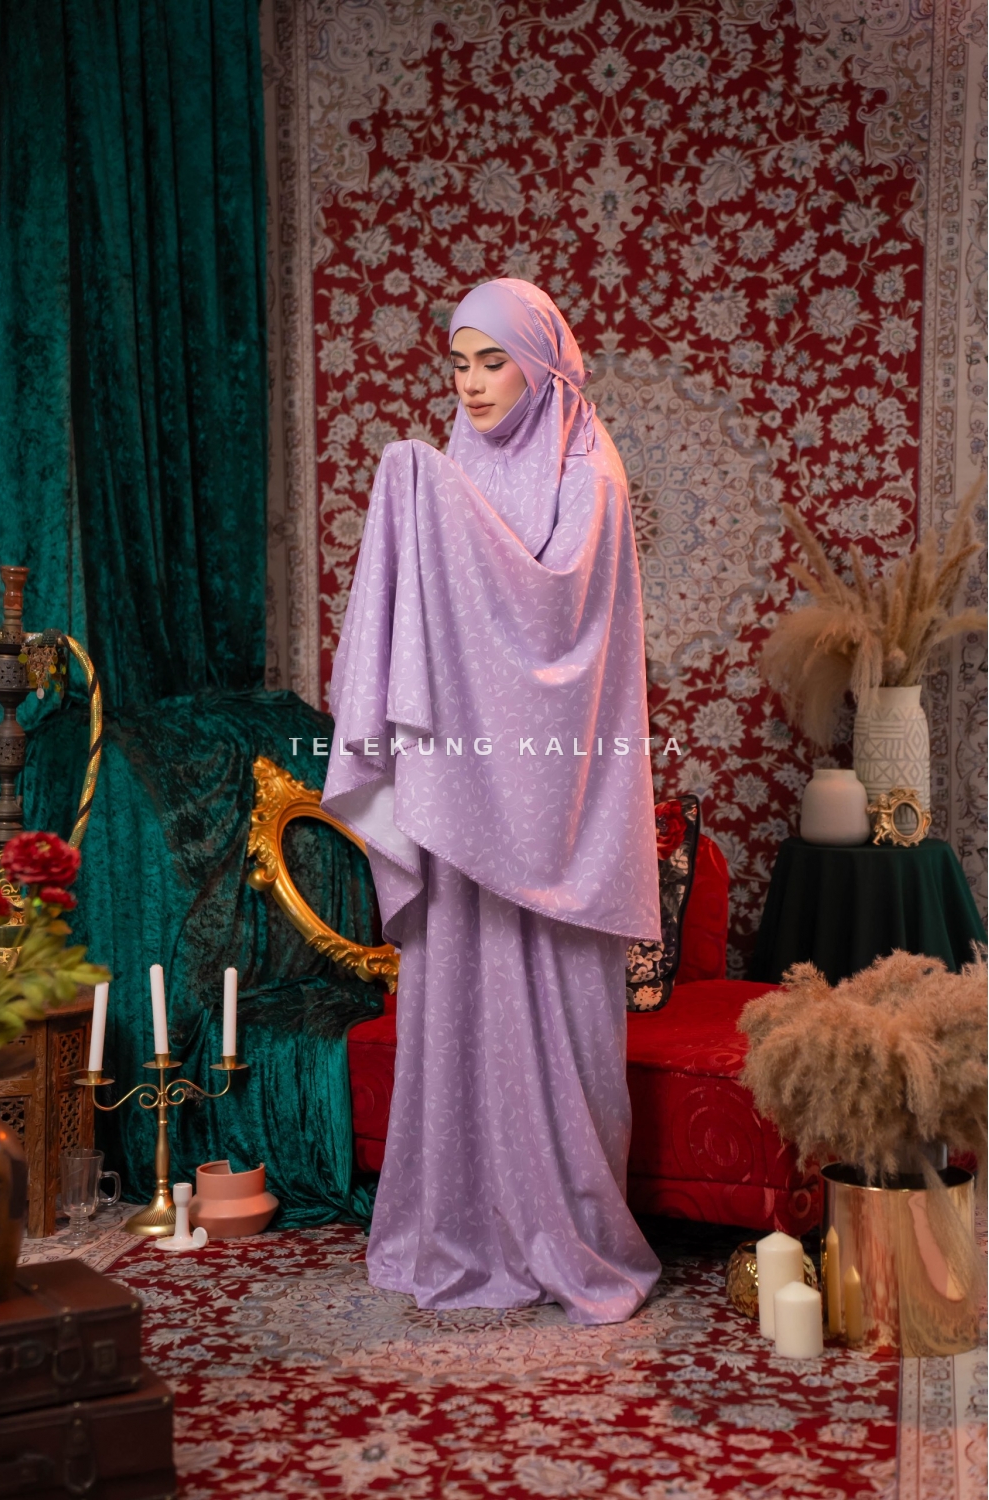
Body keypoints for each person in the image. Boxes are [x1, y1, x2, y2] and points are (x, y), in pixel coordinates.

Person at [322, 278, 662, 1324]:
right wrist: (428, 485)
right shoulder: (456, 461)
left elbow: (555, 627)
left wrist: (422, 488)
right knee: (457, 1004)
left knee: (557, 1013)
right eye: (458, 364)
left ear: (542, 366)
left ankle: (567, 1228)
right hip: (459, 803)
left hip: (552, 806)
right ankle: (460, 1222)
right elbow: (440, 622)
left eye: (492, 362)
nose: (470, 385)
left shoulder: (586, 473)